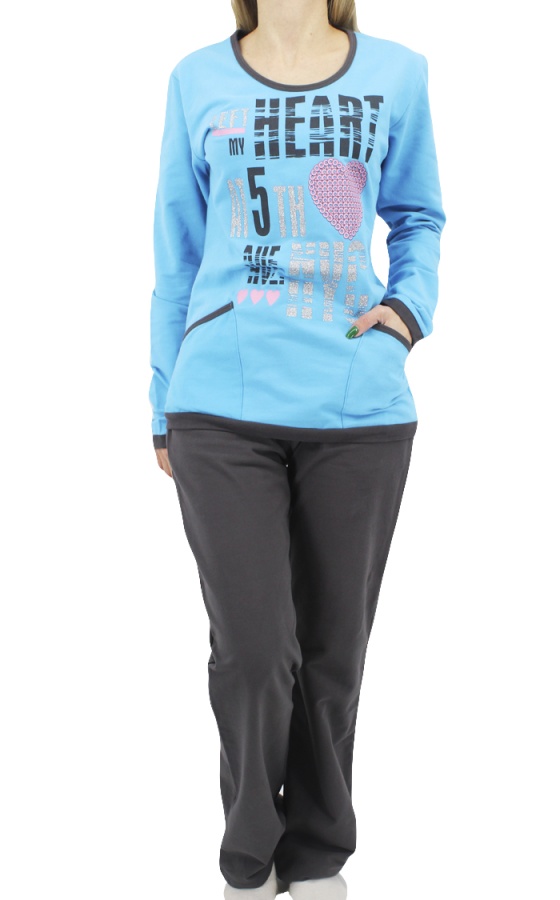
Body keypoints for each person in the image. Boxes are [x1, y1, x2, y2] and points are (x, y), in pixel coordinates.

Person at [148, 1, 445, 897]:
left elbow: (418, 216)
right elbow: (176, 252)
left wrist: (407, 314)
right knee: (252, 650)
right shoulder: (196, 79)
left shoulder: (397, 73)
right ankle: (250, 857)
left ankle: (317, 857)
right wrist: (161, 397)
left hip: (357, 403)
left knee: (331, 654)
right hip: (219, 403)